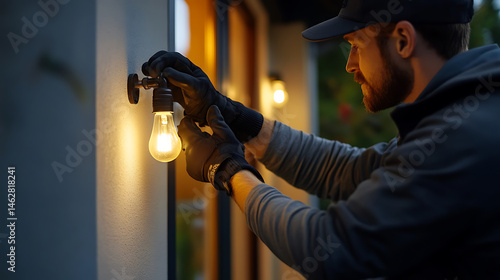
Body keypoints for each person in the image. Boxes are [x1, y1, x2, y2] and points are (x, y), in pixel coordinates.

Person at [142, 0, 500, 278]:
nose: (350, 64)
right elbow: (347, 171)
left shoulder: (459, 138)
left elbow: (328, 247)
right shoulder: (466, 112)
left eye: (356, 44)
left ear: (403, 40)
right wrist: (231, 114)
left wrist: (228, 170)